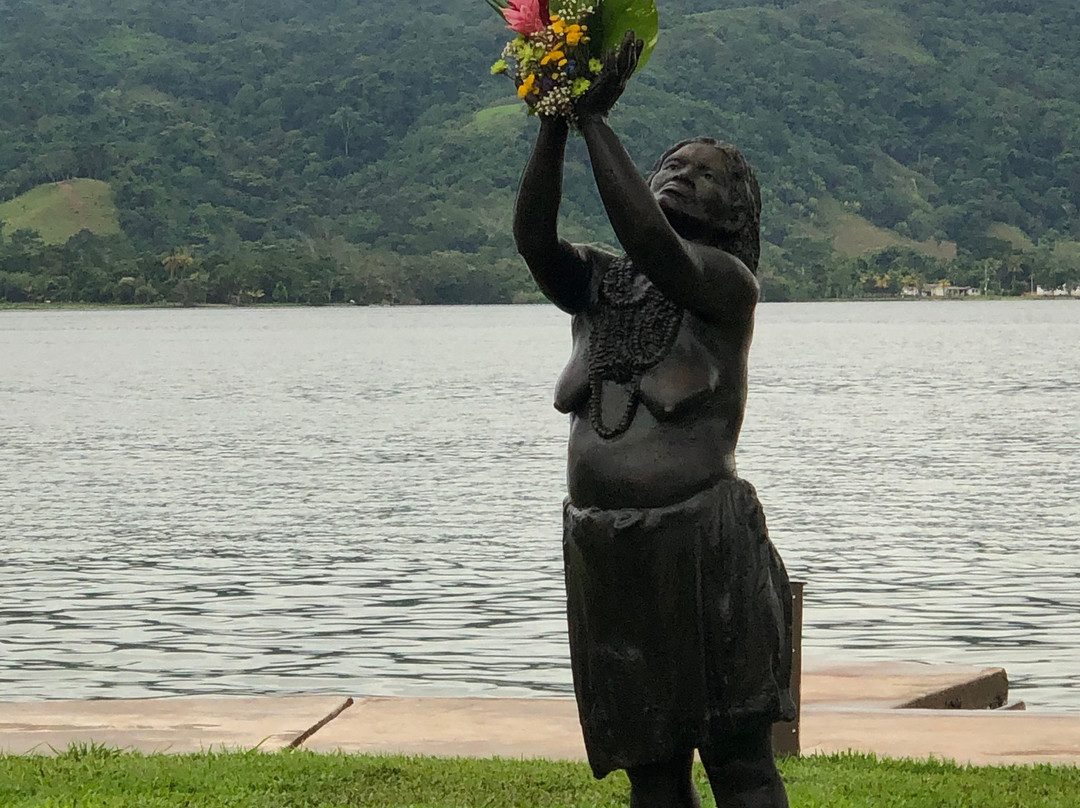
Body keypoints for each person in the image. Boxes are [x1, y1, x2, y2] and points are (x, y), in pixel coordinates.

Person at [513, 34, 795, 808]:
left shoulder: (724, 284)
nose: (677, 174)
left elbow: (652, 240)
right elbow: (535, 243)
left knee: (739, 761)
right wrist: (554, 119)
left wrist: (597, 120)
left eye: (702, 174)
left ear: (735, 209)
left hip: (701, 540)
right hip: (607, 548)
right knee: (652, 768)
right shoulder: (603, 284)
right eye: (671, 164)